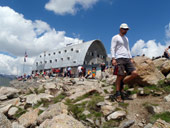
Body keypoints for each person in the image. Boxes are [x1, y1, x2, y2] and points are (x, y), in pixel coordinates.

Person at [110, 23, 138, 102]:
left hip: (127, 58)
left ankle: (121, 84)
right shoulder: (115, 37)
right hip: (119, 58)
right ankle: (118, 94)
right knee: (120, 75)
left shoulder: (126, 38)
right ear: (120, 29)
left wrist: (130, 57)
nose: (126, 31)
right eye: (124, 29)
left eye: (127, 29)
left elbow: (128, 48)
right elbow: (112, 48)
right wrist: (113, 58)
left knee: (134, 73)